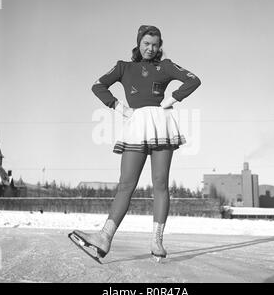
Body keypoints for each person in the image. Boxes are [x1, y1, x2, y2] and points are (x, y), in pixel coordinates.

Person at [71, 25, 201, 261]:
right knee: (126, 184)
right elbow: (98, 86)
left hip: (161, 123)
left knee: (160, 184)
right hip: (136, 124)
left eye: (155, 44)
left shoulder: (167, 66)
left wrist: (170, 100)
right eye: (146, 44)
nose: (150, 49)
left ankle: (157, 242)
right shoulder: (124, 67)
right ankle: (104, 237)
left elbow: (193, 80)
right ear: (138, 44)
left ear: (159, 46)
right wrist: (120, 108)